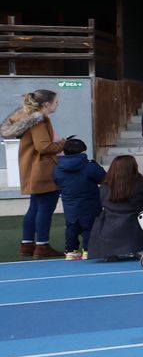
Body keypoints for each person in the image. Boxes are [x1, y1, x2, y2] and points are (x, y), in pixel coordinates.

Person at [2, 89, 67, 258]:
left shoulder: (26, 119)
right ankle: (42, 245)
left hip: (31, 168)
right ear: (46, 104)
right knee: (45, 209)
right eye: (56, 102)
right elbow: (43, 147)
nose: (57, 104)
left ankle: (27, 243)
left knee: (35, 208)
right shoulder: (39, 121)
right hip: (43, 169)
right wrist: (63, 144)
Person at [85, 155, 143, 262]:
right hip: (137, 225)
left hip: (110, 227)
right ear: (134, 167)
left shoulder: (105, 186)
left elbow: (103, 202)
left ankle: (110, 251)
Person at [52, 136, 103, 259]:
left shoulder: (57, 168)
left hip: (69, 201)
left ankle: (71, 250)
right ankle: (88, 249)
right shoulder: (89, 166)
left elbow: (56, 181)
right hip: (90, 201)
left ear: (64, 152)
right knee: (89, 226)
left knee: (71, 226)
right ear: (83, 152)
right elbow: (103, 177)